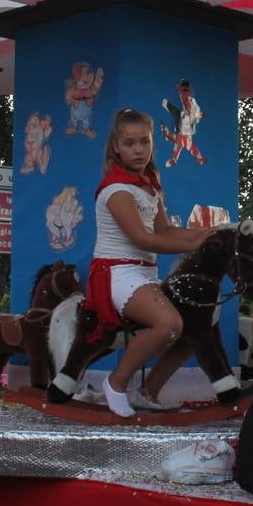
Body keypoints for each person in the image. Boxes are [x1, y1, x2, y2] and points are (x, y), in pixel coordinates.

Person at [89, 107, 210, 416]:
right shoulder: (116, 190)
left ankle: (149, 390)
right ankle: (116, 384)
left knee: (194, 328)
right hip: (116, 272)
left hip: (145, 274)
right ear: (117, 146)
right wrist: (198, 240)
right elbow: (143, 240)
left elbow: (165, 231)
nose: (138, 149)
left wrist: (210, 234)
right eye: (130, 143)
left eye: (144, 142)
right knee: (169, 322)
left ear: (153, 143)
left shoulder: (149, 185)